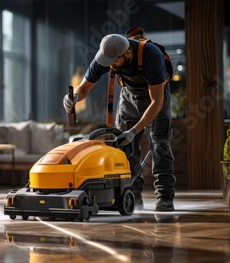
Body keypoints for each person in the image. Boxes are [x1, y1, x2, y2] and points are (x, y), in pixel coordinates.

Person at [64, 33, 176, 211]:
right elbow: (84, 87)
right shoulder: (106, 55)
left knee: (160, 144)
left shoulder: (151, 56)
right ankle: (132, 195)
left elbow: (157, 102)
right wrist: (74, 97)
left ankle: (165, 197)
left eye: (113, 61)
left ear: (127, 55)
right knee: (124, 147)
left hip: (156, 96)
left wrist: (135, 130)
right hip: (129, 96)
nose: (109, 65)